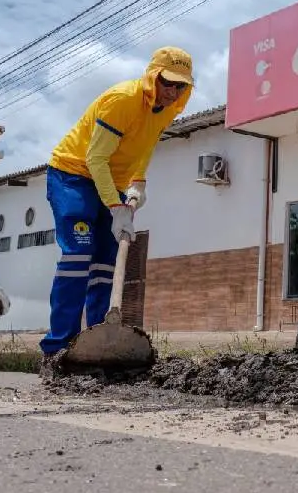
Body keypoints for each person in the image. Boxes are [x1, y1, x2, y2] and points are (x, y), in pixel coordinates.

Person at [39, 46, 194, 370]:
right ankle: (57, 350)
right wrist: (115, 205)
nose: (173, 91)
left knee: (106, 264)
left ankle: (96, 346)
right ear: (153, 76)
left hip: (115, 183)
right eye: (168, 82)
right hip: (74, 175)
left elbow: (146, 146)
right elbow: (96, 158)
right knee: (80, 254)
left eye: (181, 86)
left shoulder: (167, 109)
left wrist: (139, 182)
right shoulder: (123, 99)